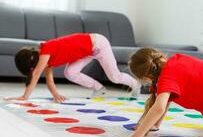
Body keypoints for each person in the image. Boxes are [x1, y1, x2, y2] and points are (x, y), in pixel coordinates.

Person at [6, 33, 140, 102]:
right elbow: (49, 80)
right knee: (70, 72)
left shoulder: (45, 50)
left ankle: (136, 84)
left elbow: (35, 75)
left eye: (32, 67)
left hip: (98, 44)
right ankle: (99, 89)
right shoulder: (47, 61)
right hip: (87, 51)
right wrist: (56, 95)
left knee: (114, 77)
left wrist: (25, 96)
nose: (36, 70)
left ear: (32, 59)